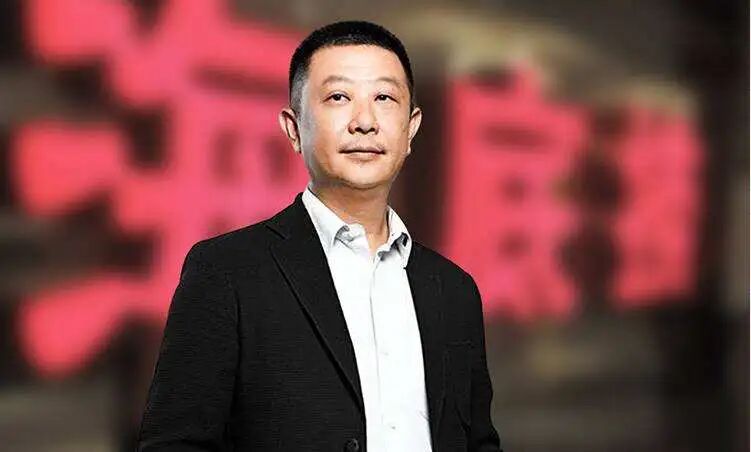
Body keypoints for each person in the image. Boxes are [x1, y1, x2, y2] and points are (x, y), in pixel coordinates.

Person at [136, 20, 503, 452]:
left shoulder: (454, 290)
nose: (364, 122)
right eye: (338, 97)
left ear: (411, 128)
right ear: (294, 129)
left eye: (384, 98)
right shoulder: (227, 272)